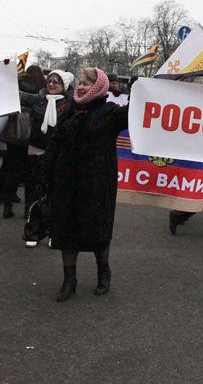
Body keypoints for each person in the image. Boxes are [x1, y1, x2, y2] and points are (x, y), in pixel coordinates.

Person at [33, 67, 128, 302]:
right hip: (66, 182)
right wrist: (44, 169)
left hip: (97, 184)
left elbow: (135, 112)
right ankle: (69, 280)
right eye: (81, 82)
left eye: (87, 83)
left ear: (99, 87)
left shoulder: (110, 112)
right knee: (66, 231)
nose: (82, 86)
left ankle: (103, 271)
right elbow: (56, 141)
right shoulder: (70, 110)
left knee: (98, 232)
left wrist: (143, 89)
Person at [19, 69, 74, 246]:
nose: (51, 84)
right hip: (36, 150)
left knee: (55, 194)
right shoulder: (39, 99)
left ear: (64, 86)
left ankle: (53, 233)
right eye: (49, 81)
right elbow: (15, 94)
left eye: (56, 82)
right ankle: (32, 232)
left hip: (58, 154)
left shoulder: (71, 103)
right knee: (34, 190)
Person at [2, 65, 46, 219]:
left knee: (11, 171)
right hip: (34, 136)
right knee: (31, 175)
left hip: (15, 134)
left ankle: (7, 206)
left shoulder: (17, 83)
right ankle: (28, 209)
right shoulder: (42, 87)